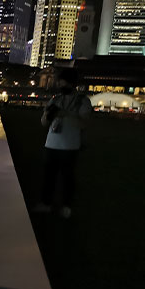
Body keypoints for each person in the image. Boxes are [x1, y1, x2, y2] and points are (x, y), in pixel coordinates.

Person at [33, 68, 92, 219]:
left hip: (70, 146)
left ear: (71, 83)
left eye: (62, 81)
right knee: (48, 177)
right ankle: (46, 204)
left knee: (67, 178)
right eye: (59, 81)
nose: (59, 84)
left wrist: (65, 114)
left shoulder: (82, 101)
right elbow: (43, 122)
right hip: (51, 143)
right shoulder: (56, 99)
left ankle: (66, 206)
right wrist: (47, 115)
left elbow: (84, 123)